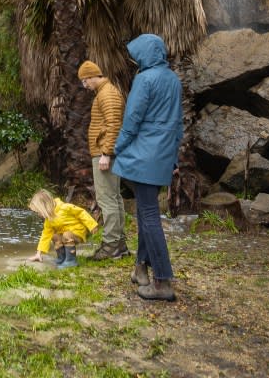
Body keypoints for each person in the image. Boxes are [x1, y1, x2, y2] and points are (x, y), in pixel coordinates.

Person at [113, 33, 183, 302]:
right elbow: (178, 125)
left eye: (136, 54)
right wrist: (173, 159)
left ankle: (162, 280)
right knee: (145, 212)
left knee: (150, 216)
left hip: (143, 157)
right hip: (162, 156)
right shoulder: (173, 80)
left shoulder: (144, 79)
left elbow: (132, 120)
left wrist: (115, 148)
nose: (134, 59)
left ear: (144, 54)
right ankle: (140, 269)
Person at [77, 60, 129, 260]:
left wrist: (106, 153)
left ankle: (111, 246)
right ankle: (119, 244)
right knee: (114, 198)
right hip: (105, 153)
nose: (85, 86)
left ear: (91, 76)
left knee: (107, 199)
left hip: (104, 154)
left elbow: (114, 123)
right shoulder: (106, 92)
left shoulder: (107, 94)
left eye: (84, 81)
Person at [27, 189, 99, 269]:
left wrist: (92, 226)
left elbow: (82, 213)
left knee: (66, 235)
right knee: (54, 236)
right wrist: (38, 253)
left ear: (44, 207)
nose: (38, 214)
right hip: (65, 235)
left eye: (38, 212)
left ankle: (71, 261)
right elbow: (45, 235)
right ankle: (62, 258)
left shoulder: (65, 207)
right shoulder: (49, 220)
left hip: (78, 232)